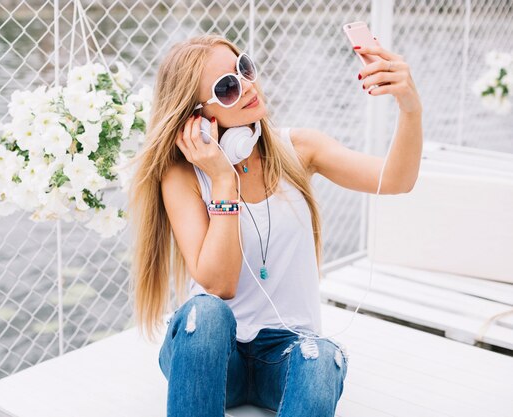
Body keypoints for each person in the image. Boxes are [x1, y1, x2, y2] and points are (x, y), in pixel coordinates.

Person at [126, 33, 422, 417]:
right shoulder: (183, 177)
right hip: (214, 353)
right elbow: (219, 284)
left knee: (321, 358)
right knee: (207, 312)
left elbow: (396, 179)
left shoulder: (299, 149)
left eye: (243, 68)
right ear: (197, 118)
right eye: (228, 87)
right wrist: (222, 179)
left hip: (286, 351)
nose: (248, 85)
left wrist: (410, 107)